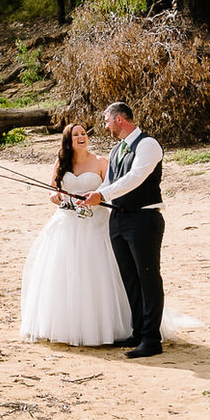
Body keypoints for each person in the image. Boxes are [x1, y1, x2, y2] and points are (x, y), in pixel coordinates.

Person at [18, 124, 133, 346]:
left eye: (83, 134)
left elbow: (112, 190)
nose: (81, 137)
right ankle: (67, 325)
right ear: (68, 140)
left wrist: (96, 198)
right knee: (64, 272)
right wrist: (54, 196)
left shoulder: (100, 162)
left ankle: (106, 326)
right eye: (75, 135)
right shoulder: (61, 162)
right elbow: (54, 188)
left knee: (98, 271)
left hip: (95, 224)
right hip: (67, 223)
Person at [77, 101, 174, 358]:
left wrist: (101, 194)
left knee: (148, 278)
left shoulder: (148, 145)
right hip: (118, 219)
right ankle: (138, 332)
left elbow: (134, 179)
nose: (106, 126)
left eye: (107, 121)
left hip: (144, 219)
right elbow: (110, 181)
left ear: (120, 119)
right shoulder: (117, 149)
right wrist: (92, 196)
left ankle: (152, 340)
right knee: (129, 279)